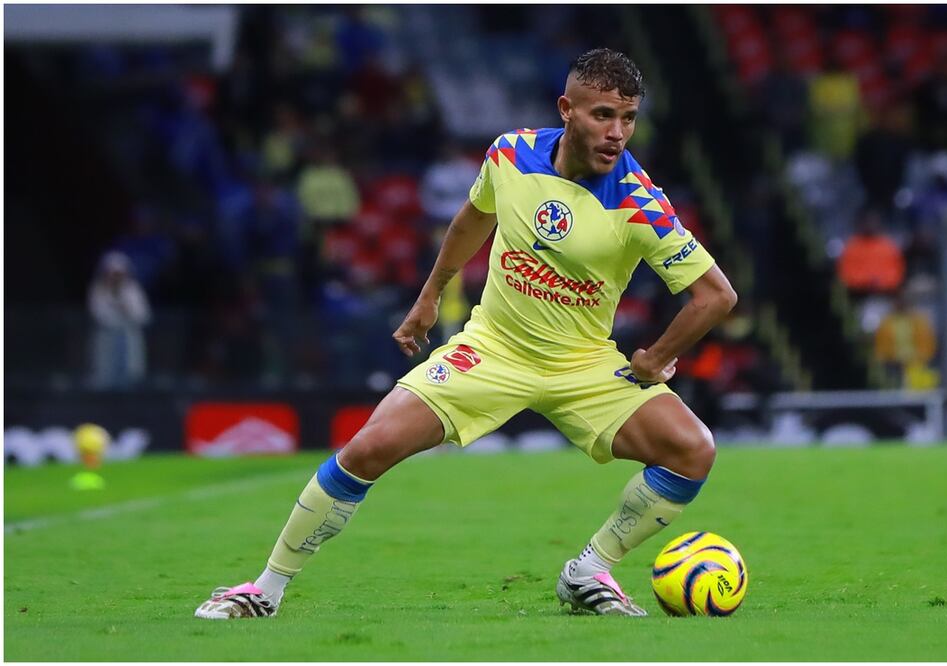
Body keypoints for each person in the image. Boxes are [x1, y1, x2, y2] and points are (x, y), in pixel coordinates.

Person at [195, 48, 737, 619]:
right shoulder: (510, 154)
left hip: (582, 364)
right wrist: (430, 295)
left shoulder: (639, 203)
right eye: (603, 115)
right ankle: (266, 589)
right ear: (566, 109)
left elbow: (716, 296)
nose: (617, 133)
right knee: (368, 448)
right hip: (492, 349)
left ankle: (589, 570)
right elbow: (474, 218)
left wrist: (655, 358)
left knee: (693, 451)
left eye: (628, 118)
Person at [88, 251, 152, 388]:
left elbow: (143, 316)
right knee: (105, 375)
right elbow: (99, 315)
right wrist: (116, 311)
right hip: (107, 339)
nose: (116, 277)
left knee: (131, 376)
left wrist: (126, 309)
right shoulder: (99, 290)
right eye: (112, 273)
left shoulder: (133, 291)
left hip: (130, 337)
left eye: (119, 274)